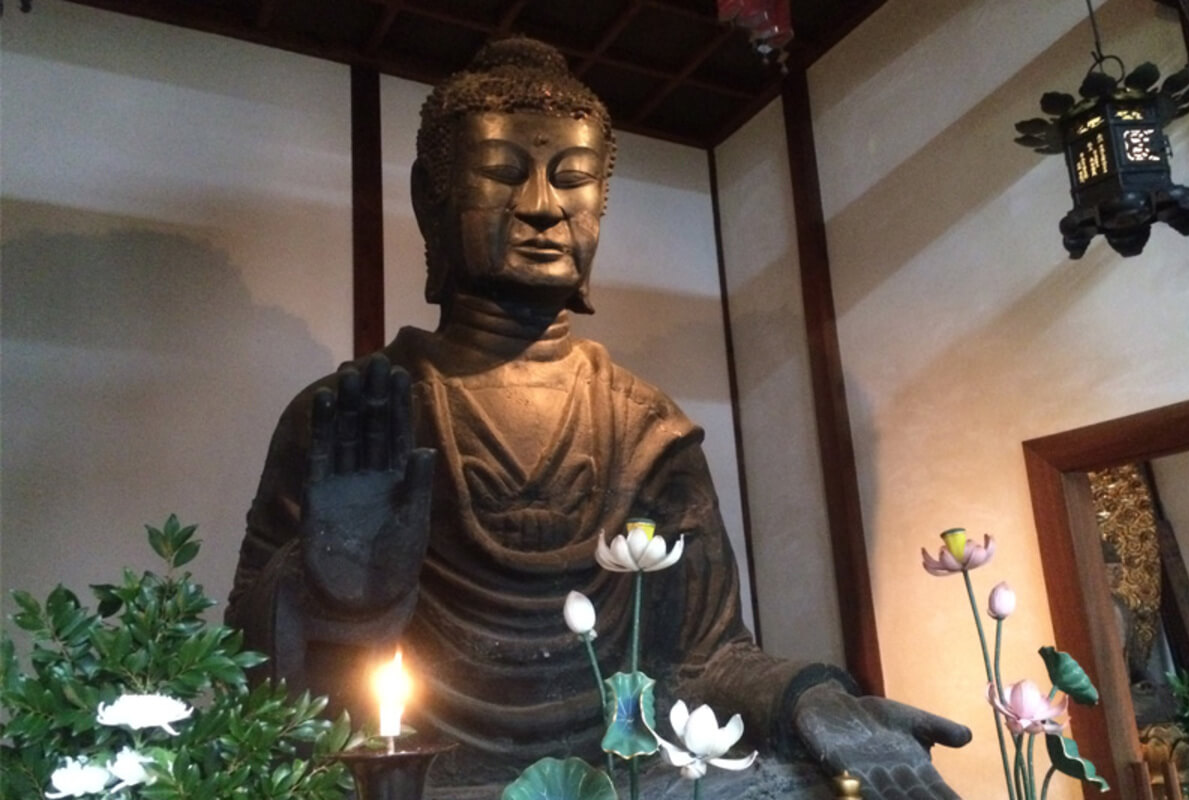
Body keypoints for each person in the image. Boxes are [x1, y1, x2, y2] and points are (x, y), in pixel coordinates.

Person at [227, 37, 968, 799]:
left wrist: (816, 698)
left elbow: (710, 660)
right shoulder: (359, 417)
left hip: (625, 777)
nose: (543, 207)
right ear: (431, 198)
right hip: (424, 780)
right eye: (504, 172)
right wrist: (335, 596)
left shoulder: (648, 427)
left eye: (572, 179)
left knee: (800, 785)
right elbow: (253, 683)